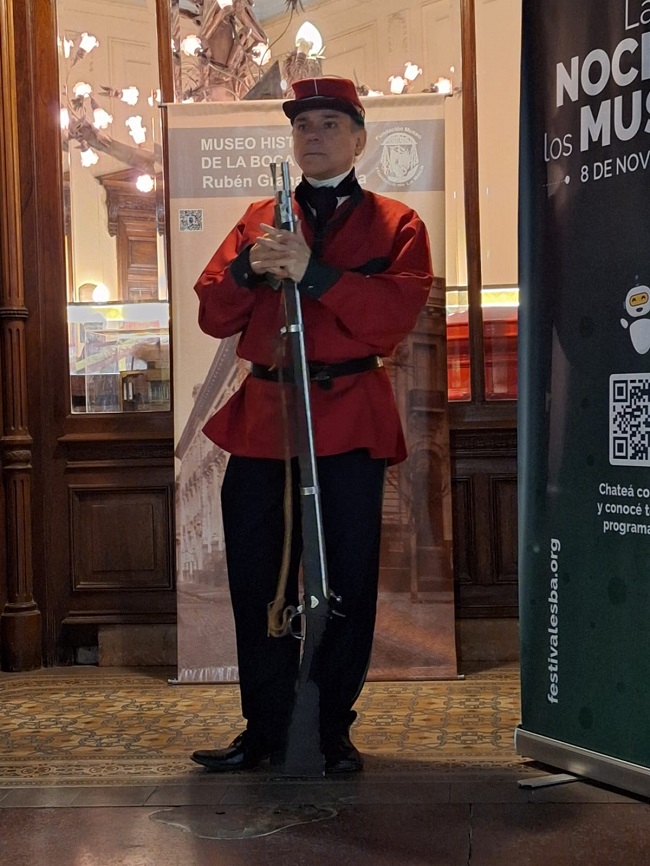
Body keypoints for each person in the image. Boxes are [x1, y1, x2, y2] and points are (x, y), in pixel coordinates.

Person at [190, 76, 433, 774]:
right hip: (266, 421)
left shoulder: (399, 223)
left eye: (330, 124)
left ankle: (329, 729)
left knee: (347, 579)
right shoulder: (259, 219)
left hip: (349, 419)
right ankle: (266, 729)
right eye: (303, 126)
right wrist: (249, 269)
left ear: (360, 139)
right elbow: (213, 314)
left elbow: (391, 319)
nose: (314, 135)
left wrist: (314, 273)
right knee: (258, 579)